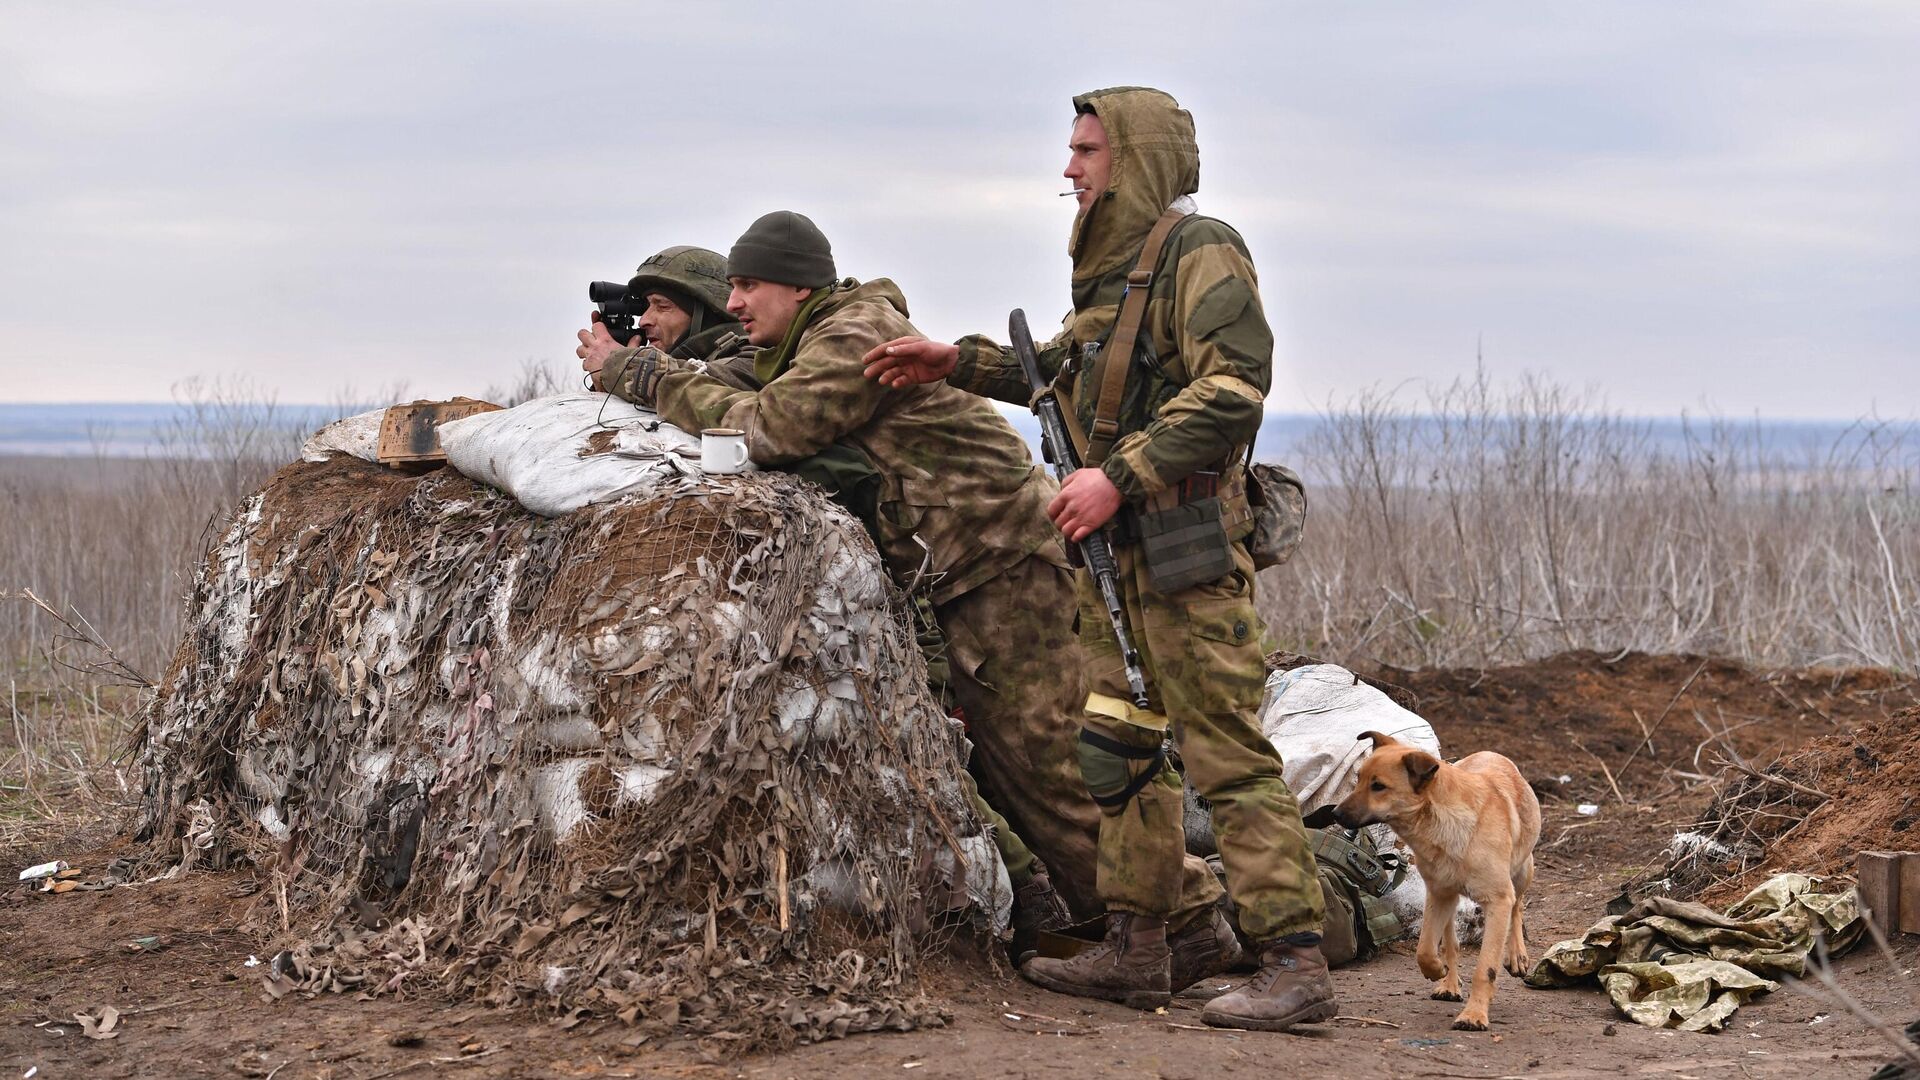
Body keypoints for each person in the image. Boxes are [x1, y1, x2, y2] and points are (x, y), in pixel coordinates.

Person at [575, 213, 1231, 953]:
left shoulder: (852, 336)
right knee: (1025, 776)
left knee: (1054, 766)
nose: (734, 304)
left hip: (1004, 568)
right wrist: (645, 370)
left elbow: (768, 431)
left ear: (799, 285)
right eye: (728, 287)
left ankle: (1194, 921)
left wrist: (635, 372)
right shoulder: (805, 342)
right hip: (971, 572)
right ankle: (1143, 928)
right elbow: (725, 386)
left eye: (749, 285)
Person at [861, 86, 1335, 1031]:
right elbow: (1067, 366)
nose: (1069, 171)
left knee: (1226, 758)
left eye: (1086, 151)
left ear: (1139, 158)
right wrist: (952, 362)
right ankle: (1146, 946)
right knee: (1118, 750)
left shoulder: (1201, 253)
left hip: (1184, 555)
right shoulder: (1119, 277)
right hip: (1114, 564)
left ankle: (1295, 960)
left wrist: (1119, 474)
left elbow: (1235, 389)